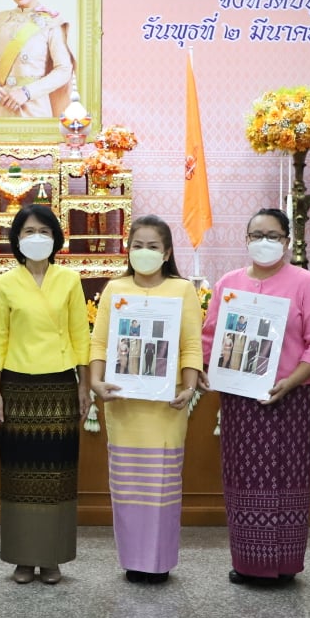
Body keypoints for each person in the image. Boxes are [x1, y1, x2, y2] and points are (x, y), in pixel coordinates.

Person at [200, 209, 310, 585]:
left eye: (273, 235)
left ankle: (285, 563)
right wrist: (201, 368)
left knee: (288, 478)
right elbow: (209, 338)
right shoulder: (229, 283)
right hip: (242, 400)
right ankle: (247, 562)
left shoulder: (307, 283)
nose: (265, 242)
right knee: (243, 478)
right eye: (256, 235)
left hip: (293, 398)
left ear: (288, 241)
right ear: (246, 240)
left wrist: (291, 382)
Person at [87, 216, 202, 583]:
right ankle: (133, 560)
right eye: (138, 245)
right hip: (123, 404)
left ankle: (159, 561)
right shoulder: (114, 288)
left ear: (167, 252)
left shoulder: (182, 290)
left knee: (162, 484)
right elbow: (100, 342)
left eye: (153, 246)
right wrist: (95, 380)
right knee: (128, 484)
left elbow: (189, 344)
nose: (145, 252)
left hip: (165, 407)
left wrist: (188, 387)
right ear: (128, 249)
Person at [0, 204, 90, 584]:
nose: (36, 238)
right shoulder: (4, 284)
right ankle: (22, 557)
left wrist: (85, 385)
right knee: (18, 474)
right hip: (16, 386)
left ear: (56, 238)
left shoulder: (70, 280)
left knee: (58, 474)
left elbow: (82, 335)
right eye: (28, 231)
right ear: (16, 238)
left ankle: (52, 558)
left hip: (60, 387)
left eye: (43, 231)